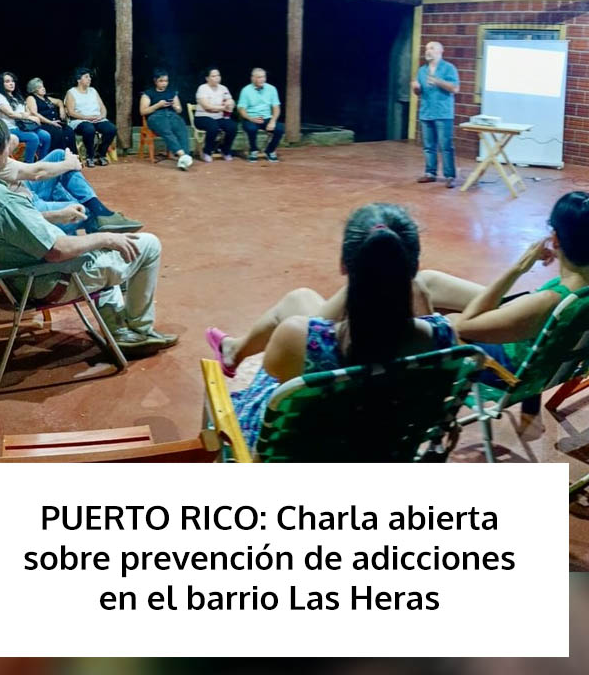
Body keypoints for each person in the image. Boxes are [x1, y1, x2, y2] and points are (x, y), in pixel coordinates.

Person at [205, 203, 456, 449]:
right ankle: (233, 349)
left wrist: (367, 277)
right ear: (414, 267)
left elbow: (275, 372)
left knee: (298, 303)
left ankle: (233, 350)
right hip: (388, 448)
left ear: (343, 265)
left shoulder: (297, 338)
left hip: (304, 449)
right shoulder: (444, 338)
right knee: (300, 299)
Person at [0, 115, 179, 353]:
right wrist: (107, 238)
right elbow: (57, 251)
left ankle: (118, 331)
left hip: (17, 274)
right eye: (7, 149)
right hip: (45, 280)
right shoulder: (4, 202)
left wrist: (57, 215)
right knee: (148, 245)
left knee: (98, 249)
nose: (11, 154)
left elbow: (13, 226)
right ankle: (141, 330)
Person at [416, 191, 589, 406]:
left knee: (441, 316)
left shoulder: (550, 300)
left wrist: (519, 268)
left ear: (555, 240)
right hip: (531, 330)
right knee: (428, 281)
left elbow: (462, 326)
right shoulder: (577, 290)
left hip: (503, 370)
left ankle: (415, 375)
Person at [0, 92, 142, 234]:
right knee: (83, 209)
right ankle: (97, 245)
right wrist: (70, 164)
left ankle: (100, 214)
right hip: (24, 205)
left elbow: (15, 146)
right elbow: (35, 172)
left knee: (58, 157)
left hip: (20, 193)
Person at [412, 41, 459, 188]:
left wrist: (438, 81)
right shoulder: (422, 70)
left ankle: (449, 176)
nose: (428, 51)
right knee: (428, 146)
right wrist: (416, 88)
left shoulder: (449, 68)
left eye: (432, 48)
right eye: (426, 48)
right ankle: (430, 173)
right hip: (426, 112)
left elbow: (455, 89)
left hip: (443, 113)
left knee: (446, 146)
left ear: (440, 51)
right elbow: (418, 92)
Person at [139, 69, 193, 171]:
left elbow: (179, 110)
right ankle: (182, 155)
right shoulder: (148, 93)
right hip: (156, 116)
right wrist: (157, 105)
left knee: (182, 128)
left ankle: (183, 159)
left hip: (171, 115)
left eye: (166, 81)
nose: (164, 83)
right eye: (161, 81)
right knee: (166, 130)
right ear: (155, 81)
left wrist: (175, 107)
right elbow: (143, 111)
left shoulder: (172, 92)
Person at [0, 71, 51, 163]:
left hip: (23, 126)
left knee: (46, 136)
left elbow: (27, 110)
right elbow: (11, 114)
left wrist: (27, 115)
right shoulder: (0, 97)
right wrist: (27, 116)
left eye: (12, 81)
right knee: (33, 137)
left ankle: (42, 162)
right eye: (7, 81)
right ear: (2, 84)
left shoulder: (17, 96)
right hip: (10, 128)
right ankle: (29, 164)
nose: (11, 83)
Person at [65, 68, 117, 168]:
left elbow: (102, 107)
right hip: (80, 120)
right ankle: (90, 156)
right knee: (89, 129)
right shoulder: (71, 92)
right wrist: (87, 117)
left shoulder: (93, 91)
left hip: (97, 119)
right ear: (78, 80)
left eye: (89, 77)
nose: (89, 79)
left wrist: (102, 116)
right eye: (86, 77)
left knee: (111, 129)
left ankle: (101, 153)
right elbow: (71, 112)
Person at [237, 67, 284, 162]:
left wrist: (272, 121)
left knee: (280, 128)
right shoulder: (246, 90)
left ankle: (270, 150)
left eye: (263, 77)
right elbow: (241, 109)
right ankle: (253, 150)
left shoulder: (272, 89)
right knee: (251, 128)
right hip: (251, 118)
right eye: (259, 77)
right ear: (253, 78)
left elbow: (276, 107)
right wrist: (251, 118)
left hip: (267, 117)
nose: (262, 79)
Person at [194, 67, 238, 163]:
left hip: (218, 117)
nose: (217, 78)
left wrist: (230, 102)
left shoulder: (223, 88)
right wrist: (223, 108)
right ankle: (207, 152)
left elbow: (230, 100)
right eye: (213, 76)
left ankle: (225, 150)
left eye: (218, 75)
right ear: (207, 78)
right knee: (213, 126)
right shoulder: (202, 88)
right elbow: (207, 106)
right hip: (202, 117)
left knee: (232, 126)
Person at [26, 78, 77, 154]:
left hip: (55, 122)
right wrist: (50, 122)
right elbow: (34, 113)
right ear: (34, 90)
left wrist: (62, 109)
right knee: (57, 132)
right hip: (44, 124)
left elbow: (59, 101)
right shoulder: (31, 98)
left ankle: (73, 156)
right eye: (40, 87)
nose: (43, 88)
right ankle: (60, 156)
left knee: (69, 131)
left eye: (43, 86)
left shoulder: (46, 98)